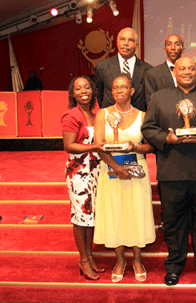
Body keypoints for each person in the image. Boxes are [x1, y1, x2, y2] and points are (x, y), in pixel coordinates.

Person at [141, 57, 196, 286]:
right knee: (173, 222)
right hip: (172, 171)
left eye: (192, 68)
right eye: (182, 68)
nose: (187, 72)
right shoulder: (159, 97)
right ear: (175, 72)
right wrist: (166, 138)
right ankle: (173, 266)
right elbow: (148, 128)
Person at [93, 73, 156, 283]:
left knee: (136, 214)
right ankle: (119, 261)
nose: (120, 91)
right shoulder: (102, 114)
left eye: (124, 87)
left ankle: (137, 260)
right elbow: (99, 146)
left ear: (132, 91)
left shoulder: (143, 115)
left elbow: (151, 146)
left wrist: (134, 147)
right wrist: (117, 168)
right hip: (110, 171)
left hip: (137, 171)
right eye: (116, 88)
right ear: (111, 92)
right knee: (115, 214)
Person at [61, 76, 103, 280]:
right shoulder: (72, 115)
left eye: (87, 87)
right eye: (78, 88)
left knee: (91, 217)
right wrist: (95, 146)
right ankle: (83, 260)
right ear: (73, 93)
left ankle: (90, 256)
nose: (83, 91)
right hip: (79, 172)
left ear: (93, 90)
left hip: (95, 170)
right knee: (81, 217)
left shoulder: (95, 113)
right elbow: (68, 146)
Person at [144, 34, 185, 231]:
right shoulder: (153, 74)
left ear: (183, 48)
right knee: (166, 180)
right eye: (169, 44)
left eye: (177, 44)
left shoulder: (192, 70)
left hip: (191, 136)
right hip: (165, 136)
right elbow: (151, 105)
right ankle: (167, 218)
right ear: (164, 48)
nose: (173, 47)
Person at [95, 27, 152, 111]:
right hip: (110, 118)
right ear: (117, 42)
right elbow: (99, 96)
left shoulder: (148, 69)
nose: (126, 43)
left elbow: (149, 100)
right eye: (122, 39)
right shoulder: (102, 66)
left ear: (136, 45)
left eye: (131, 40)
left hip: (138, 120)